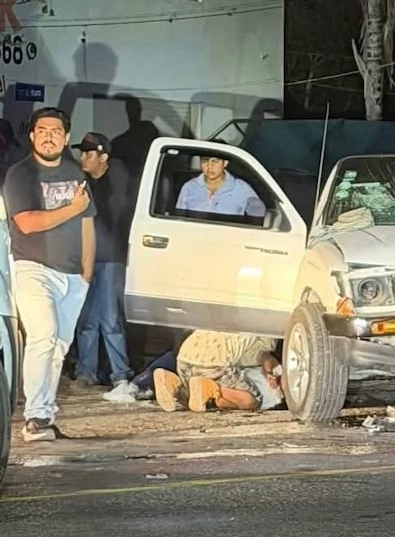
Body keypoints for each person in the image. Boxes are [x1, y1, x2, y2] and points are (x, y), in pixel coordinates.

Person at [2, 107, 96, 442]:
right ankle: (33, 419)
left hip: (72, 275)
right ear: (32, 135)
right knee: (43, 334)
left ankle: (45, 414)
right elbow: (26, 222)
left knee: (58, 345)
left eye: (56, 131)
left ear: (66, 137)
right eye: (42, 130)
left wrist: (87, 272)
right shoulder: (20, 174)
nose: (48, 135)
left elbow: (88, 223)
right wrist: (71, 208)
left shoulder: (75, 172)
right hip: (32, 267)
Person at [71, 132, 136, 398]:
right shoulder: (82, 183)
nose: (82, 158)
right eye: (82, 153)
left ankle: (120, 373)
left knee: (109, 318)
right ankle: (86, 372)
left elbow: (116, 215)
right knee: (86, 319)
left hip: (111, 257)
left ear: (103, 157)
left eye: (88, 153)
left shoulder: (117, 181)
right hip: (85, 257)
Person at [152, 330, 284, 413]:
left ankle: (173, 384)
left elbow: (265, 358)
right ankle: (209, 389)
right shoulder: (268, 329)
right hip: (214, 359)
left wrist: (269, 371)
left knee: (192, 398)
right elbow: (265, 355)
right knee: (251, 400)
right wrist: (271, 371)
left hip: (185, 356)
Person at [175, 152, 266, 217]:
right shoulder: (189, 187)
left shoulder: (241, 188)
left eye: (215, 161)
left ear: (225, 163)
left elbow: (258, 215)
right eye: (205, 161)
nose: (210, 166)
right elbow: (179, 219)